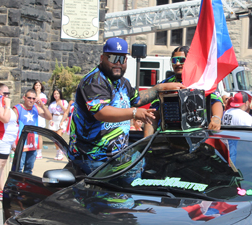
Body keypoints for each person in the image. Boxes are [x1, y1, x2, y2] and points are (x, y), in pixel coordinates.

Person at [69, 37, 185, 174]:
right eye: (113, 58)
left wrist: (160, 88)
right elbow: (101, 112)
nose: (118, 63)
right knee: (135, 183)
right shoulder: (95, 81)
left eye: (122, 59)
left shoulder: (123, 82)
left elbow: (137, 99)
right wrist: (135, 113)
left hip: (116, 157)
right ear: (102, 58)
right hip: (92, 158)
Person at [144, 45, 224, 137]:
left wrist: (217, 118)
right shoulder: (164, 84)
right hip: (168, 136)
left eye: (182, 60)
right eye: (174, 60)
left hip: (197, 135)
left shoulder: (202, 82)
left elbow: (216, 101)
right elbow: (153, 114)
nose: (177, 63)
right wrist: (146, 142)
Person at [0, 81, 18, 200]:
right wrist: (6, 106)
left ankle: (1, 189)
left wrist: (13, 142)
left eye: (8, 93)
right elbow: (5, 119)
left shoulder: (4, 105)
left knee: (2, 165)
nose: (7, 96)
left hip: (7, 139)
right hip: (0, 138)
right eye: (4, 93)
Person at [14, 89, 53, 174]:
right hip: (21, 143)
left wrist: (42, 105)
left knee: (29, 169)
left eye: (33, 98)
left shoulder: (36, 108)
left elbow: (49, 117)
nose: (31, 100)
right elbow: (12, 126)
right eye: (29, 98)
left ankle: (26, 186)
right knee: (18, 168)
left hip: (32, 143)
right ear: (24, 98)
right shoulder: (17, 108)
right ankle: (16, 186)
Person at [48, 89, 69, 160]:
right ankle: (57, 153)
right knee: (55, 138)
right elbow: (49, 113)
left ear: (60, 94)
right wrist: (50, 120)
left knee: (59, 137)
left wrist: (60, 105)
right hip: (54, 119)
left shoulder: (64, 102)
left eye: (57, 93)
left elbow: (66, 112)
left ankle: (61, 153)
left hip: (61, 119)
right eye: (54, 94)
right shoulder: (52, 104)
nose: (56, 95)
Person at [33, 81, 47, 159]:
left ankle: (39, 152)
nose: (37, 86)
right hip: (33, 116)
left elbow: (40, 103)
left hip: (40, 117)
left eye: (39, 85)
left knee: (39, 135)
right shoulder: (32, 94)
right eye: (36, 85)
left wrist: (38, 93)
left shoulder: (43, 95)